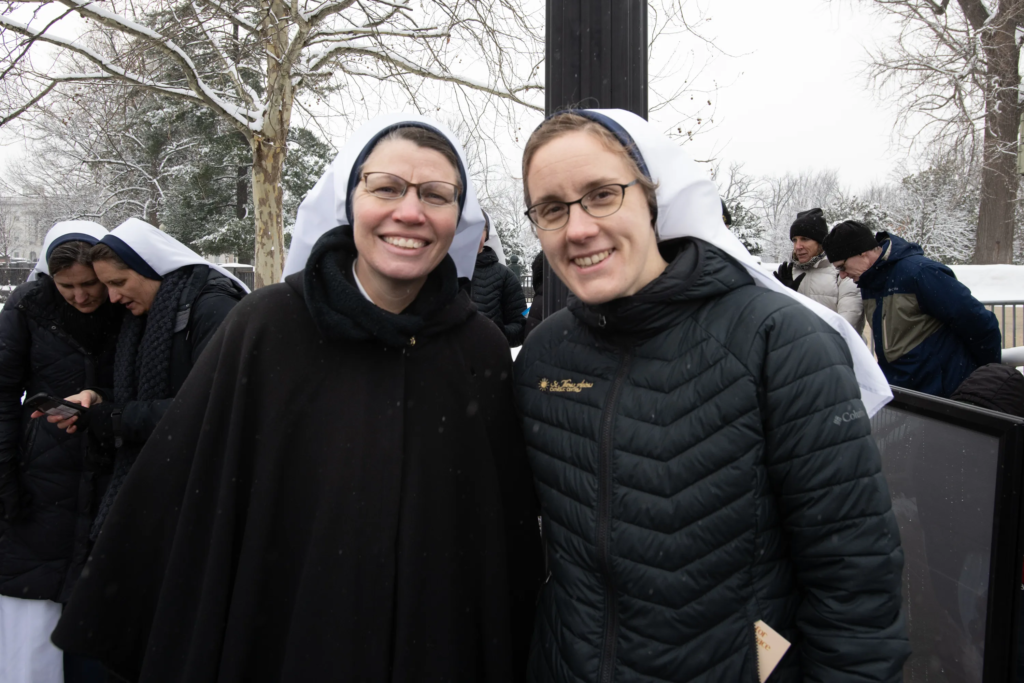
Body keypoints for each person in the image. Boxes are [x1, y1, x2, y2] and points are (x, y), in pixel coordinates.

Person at [52, 114, 543, 683]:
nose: (410, 212)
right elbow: (186, 490)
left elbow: (496, 532)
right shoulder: (266, 327)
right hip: (283, 635)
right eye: (385, 187)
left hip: (430, 642)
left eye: (436, 194)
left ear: (458, 217)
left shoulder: (478, 348)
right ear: (349, 200)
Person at [515, 109, 909, 682]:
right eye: (551, 208)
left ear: (654, 200)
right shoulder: (544, 355)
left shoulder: (780, 342)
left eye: (602, 194)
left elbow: (854, 583)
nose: (577, 228)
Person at [40, 218, 249, 539]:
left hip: (206, 488)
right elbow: (155, 389)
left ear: (151, 269)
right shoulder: (151, 313)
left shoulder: (213, 309)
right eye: (107, 285)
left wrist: (112, 419)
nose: (112, 297)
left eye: (119, 282)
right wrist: (99, 398)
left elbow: (212, 408)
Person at [0, 221, 122, 683]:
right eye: (66, 286)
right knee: (33, 602)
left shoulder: (123, 303)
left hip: (108, 459)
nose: (80, 297)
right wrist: (6, 475)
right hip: (41, 469)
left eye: (89, 284)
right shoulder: (28, 307)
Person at [823, 220, 1001, 397]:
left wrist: (986, 378)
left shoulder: (921, 273)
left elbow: (980, 324)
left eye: (842, 267)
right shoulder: (868, 282)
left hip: (943, 397)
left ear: (862, 253)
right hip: (906, 397)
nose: (843, 275)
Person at [773, 208, 864, 332]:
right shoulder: (787, 274)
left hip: (834, 349)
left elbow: (846, 325)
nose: (798, 246)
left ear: (820, 242)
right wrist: (783, 298)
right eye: (794, 240)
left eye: (804, 239)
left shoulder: (842, 272)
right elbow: (776, 325)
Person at [472, 211, 527, 346]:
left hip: (489, 362)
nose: (471, 235)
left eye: (478, 229)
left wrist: (497, 332)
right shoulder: (437, 272)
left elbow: (521, 326)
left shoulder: (505, 276)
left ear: (486, 234)